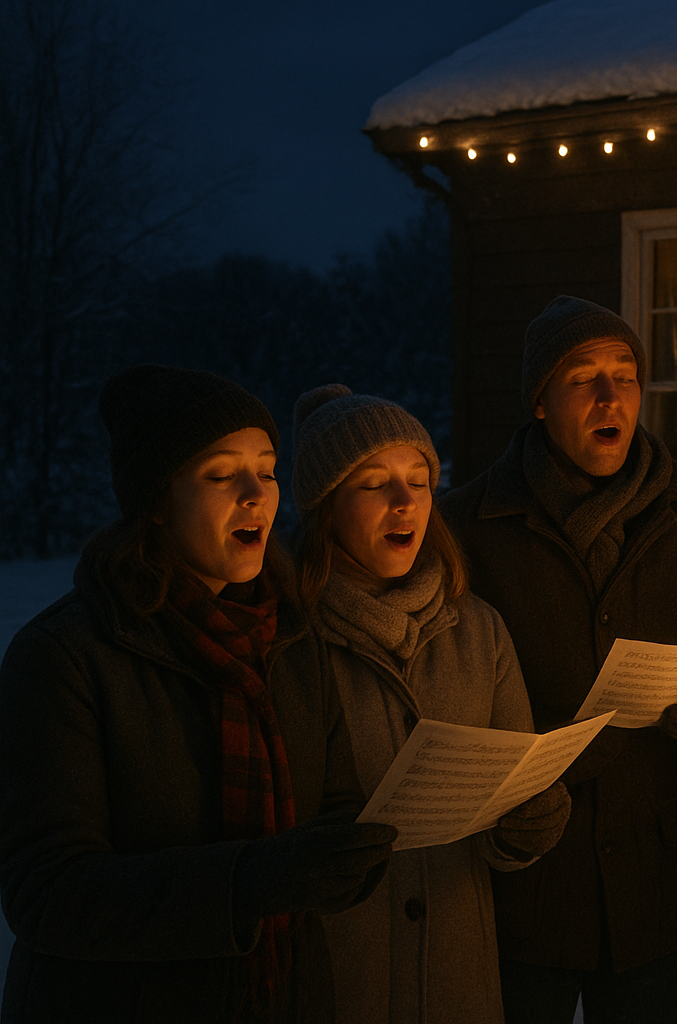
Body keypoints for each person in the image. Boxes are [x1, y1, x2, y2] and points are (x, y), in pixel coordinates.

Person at [0, 366, 395, 1023]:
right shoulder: (66, 656)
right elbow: (46, 893)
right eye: (221, 475)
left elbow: (337, 805)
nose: (256, 495)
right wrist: (251, 880)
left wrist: (352, 855)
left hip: (282, 999)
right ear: (156, 500)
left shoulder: (292, 638)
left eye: (267, 471)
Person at [438, 295, 677, 1024]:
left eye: (624, 375)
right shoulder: (466, 528)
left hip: (657, 886)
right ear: (539, 402)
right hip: (525, 887)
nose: (608, 395)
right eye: (581, 377)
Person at [290, 385, 571, 1024]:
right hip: (338, 982)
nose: (405, 501)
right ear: (325, 508)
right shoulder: (284, 641)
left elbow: (513, 797)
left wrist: (526, 827)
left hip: (457, 981)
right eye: (374, 484)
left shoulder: (480, 629)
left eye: (418, 481)